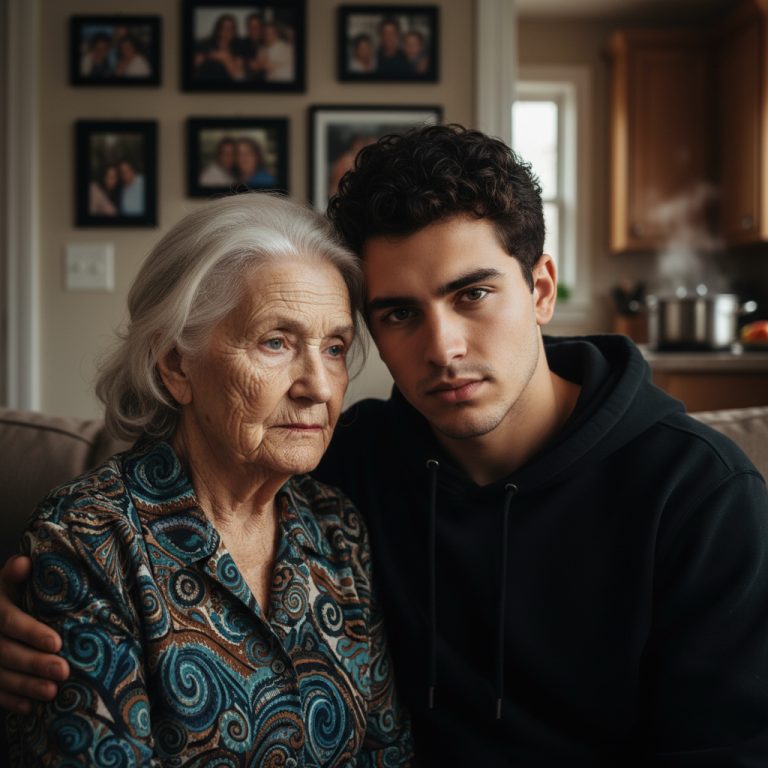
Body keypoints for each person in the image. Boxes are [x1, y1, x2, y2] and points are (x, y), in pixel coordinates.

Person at [2, 125, 768, 765]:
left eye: (472, 295)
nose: (443, 348)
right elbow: (162, 506)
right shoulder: (347, 465)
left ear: (540, 290)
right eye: (398, 314)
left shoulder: (697, 494)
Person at [1, 193, 413, 764]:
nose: (319, 385)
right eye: (276, 342)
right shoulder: (89, 540)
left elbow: (385, 749)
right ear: (176, 365)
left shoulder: (336, 526)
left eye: (335, 347)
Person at [193, 13, 244, 82]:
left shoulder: (238, 46)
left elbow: (239, 76)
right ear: (218, 29)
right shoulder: (205, 44)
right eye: (224, 28)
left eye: (230, 29)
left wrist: (226, 59)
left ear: (234, 31)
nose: (226, 31)